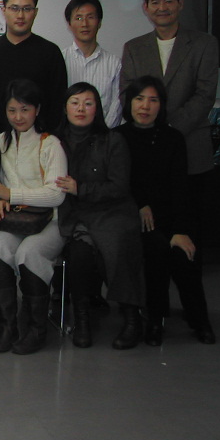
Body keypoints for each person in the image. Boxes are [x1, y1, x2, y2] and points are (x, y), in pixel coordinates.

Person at [117, 76, 215, 345]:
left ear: (161, 105)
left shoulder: (173, 138)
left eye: (153, 100)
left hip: (170, 215)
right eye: (139, 99)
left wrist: (180, 230)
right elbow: (120, 183)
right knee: (157, 249)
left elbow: (180, 187)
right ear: (129, 103)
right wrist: (140, 205)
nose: (145, 106)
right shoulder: (118, 137)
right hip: (134, 216)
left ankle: (199, 319)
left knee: (185, 252)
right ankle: (155, 319)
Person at [0, 79, 67, 355]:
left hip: (50, 221)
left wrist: (10, 194)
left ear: (37, 110)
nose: (18, 117)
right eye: (12, 110)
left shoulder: (50, 144)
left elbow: (56, 195)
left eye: (25, 109)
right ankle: (8, 326)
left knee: (29, 253)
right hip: (15, 220)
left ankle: (36, 328)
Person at [55, 82, 145, 350]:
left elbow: (119, 187)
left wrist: (81, 188)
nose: (81, 109)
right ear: (65, 108)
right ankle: (81, 321)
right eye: (75, 103)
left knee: (117, 248)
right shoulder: (53, 142)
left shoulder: (113, 140)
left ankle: (132, 318)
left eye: (88, 103)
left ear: (97, 109)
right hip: (75, 215)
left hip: (112, 211)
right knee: (79, 255)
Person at [121, 0, 219, 178]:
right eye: (155, 2)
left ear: (180, 4)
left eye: (168, 1)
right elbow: (127, 94)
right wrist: (150, 129)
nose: (162, 8)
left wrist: (169, 130)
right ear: (146, 8)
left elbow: (205, 94)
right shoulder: (133, 47)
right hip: (144, 144)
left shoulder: (204, 44)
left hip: (190, 143)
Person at [0, 0, 67, 133]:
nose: (20, 15)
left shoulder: (50, 52)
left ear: (35, 12)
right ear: (4, 11)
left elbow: (57, 102)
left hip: (40, 138)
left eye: (27, 9)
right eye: (14, 8)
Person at [62, 0, 122, 128]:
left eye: (90, 17)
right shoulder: (60, 60)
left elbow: (116, 106)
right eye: (78, 18)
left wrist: (103, 134)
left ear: (99, 22)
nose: (85, 24)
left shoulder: (115, 64)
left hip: (104, 135)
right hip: (66, 136)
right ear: (69, 24)